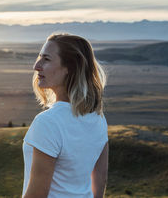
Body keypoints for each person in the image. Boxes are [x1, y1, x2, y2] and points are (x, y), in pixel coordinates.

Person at [22, 33, 109, 198]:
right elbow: (100, 179)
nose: (36, 66)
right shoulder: (98, 118)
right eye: (39, 57)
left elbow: (37, 194)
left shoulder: (48, 122)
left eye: (46, 59)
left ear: (70, 67)